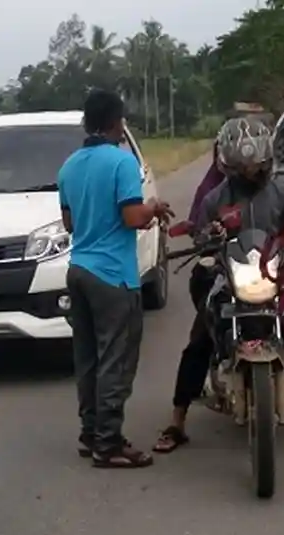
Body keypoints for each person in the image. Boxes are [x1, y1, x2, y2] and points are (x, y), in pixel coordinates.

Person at [152, 117, 284, 453]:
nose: (250, 172)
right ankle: (177, 422)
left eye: (255, 165)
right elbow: (200, 234)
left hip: (274, 280)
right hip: (229, 280)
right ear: (228, 164)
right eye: (242, 166)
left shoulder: (283, 195)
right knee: (199, 343)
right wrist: (208, 237)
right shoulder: (213, 198)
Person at [59, 90, 172, 469]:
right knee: (116, 361)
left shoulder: (69, 166)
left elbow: (70, 224)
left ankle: (90, 433)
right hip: (112, 276)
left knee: (88, 357)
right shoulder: (122, 163)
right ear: (115, 123)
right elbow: (132, 218)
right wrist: (153, 208)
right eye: (122, 120)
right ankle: (108, 443)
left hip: (78, 271)